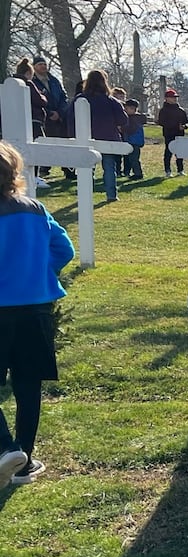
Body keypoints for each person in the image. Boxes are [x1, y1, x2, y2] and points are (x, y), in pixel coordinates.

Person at [0, 142, 75, 487]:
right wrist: (39, 272)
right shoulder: (34, 209)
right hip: (35, 307)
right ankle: (24, 461)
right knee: (29, 385)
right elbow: (64, 248)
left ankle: (5, 446)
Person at [78, 69, 128, 201]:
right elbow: (123, 120)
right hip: (108, 137)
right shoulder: (111, 101)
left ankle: (85, 194)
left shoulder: (80, 100)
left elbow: (70, 118)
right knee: (109, 167)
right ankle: (111, 195)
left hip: (85, 138)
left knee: (87, 166)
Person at [31, 58, 69, 180]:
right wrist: (48, 113)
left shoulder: (53, 80)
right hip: (43, 118)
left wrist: (59, 112)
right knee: (45, 143)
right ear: (34, 67)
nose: (43, 66)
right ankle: (44, 169)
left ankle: (68, 170)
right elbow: (34, 100)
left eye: (44, 64)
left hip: (58, 118)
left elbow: (64, 97)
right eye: (40, 64)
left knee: (63, 144)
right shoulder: (33, 81)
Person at [157, 89, 188, 176]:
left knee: (179, 152)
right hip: (169, 134)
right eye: (172, 97)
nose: (175, 99)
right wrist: (174, 126)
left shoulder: (181, 110)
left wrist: (184, 126)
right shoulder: (163, 110)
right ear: (167, 98)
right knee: (168, 152)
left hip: (179, 134)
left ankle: (180, 170)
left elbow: (186, 122)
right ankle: (168, 170)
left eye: (175, 97)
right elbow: (161, 122)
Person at [122, 99, 146, 180]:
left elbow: (131, 130)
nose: (125, 109)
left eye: (127, 108)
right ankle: (136, 172)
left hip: (133, 141)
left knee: (134, 159)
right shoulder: (135, 118)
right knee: (132, 158)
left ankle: (138, 174)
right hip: (134, 141)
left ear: (133, 109)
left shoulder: (134, 119)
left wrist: (121, 129)